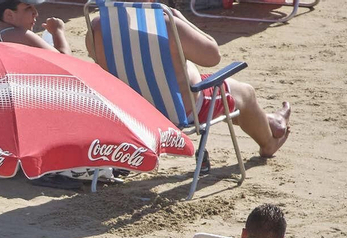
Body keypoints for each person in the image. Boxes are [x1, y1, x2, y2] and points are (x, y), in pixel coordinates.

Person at [86, 6, 291, 157]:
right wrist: (181, 19)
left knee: (224, 96)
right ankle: (269, 144)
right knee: (245, 93)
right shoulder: (166, 24)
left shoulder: (96, 27)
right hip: (180, 109)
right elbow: (213, 56)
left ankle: (270, 121)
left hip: (133, 112)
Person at [0, 0, 69, 54]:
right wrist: (58, 32)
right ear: (9, 15)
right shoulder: (20, 35)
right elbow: (65, 62)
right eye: (28, 8)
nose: (36, 13)